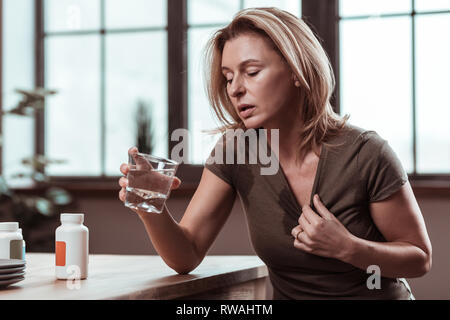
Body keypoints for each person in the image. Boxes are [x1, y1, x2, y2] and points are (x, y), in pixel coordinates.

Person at [118, 7, 432, 300]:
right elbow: (186, 254)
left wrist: (348, 248)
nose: (234, 89)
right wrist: (150, 206)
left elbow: (419, 258)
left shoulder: (366, 153)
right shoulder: (235, 152)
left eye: (251, 72)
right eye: (229, 77)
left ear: (297, 71)